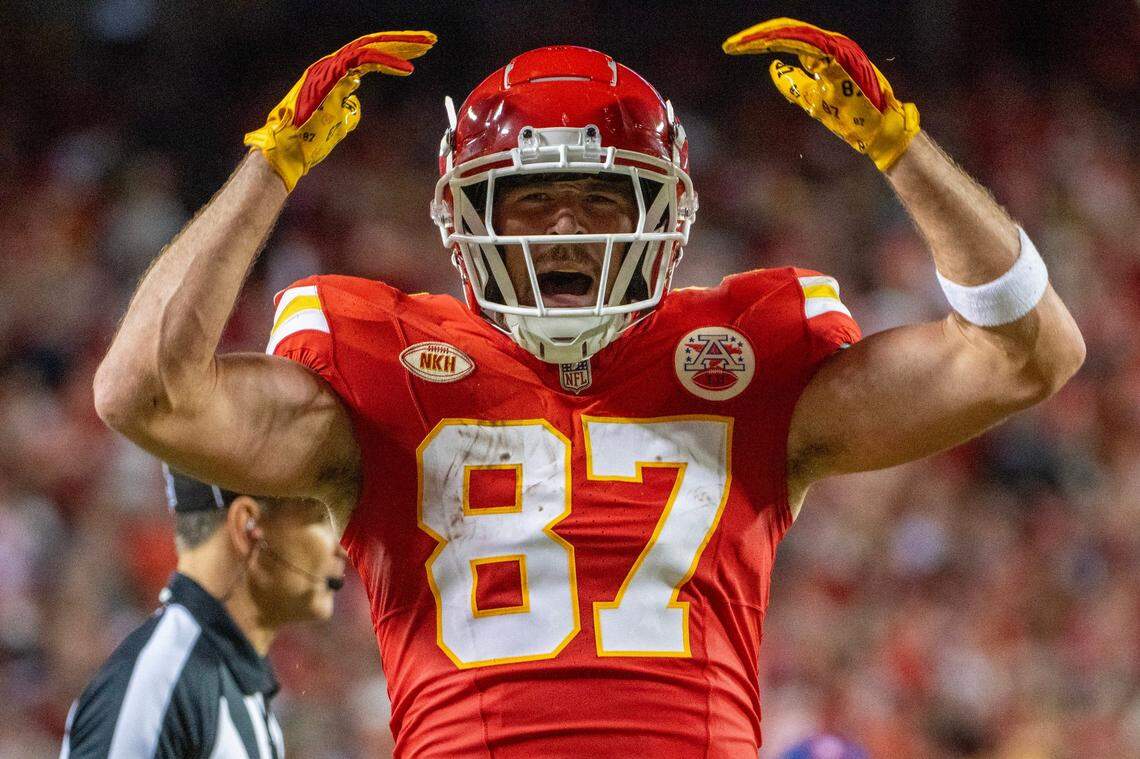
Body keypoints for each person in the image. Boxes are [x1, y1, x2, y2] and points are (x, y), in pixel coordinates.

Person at [91, 19, 1085, 757]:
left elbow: (1029, 354)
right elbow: (143, 395)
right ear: (465, 216)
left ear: (667, 209)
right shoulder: (385, 361)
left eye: (603, 198)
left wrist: (901, 149)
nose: (568, 228)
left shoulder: (744, 356)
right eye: (529, 201)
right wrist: (269, 168)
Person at [60, 467, 347, 758]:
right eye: (322, 520)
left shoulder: (233, 692)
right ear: (247, 526)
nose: (343, 549)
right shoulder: (161, 681)